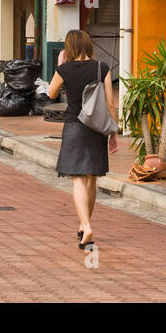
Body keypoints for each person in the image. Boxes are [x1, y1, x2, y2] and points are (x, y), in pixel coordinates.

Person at [47, 28, 117, 249]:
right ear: (87, 45)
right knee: (91, 178)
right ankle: (83, 224)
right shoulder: (101, 68)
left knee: (77, 178)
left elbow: (50, 93)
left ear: (69, 47)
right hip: (96, 128)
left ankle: (86, 226)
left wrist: (59, 64)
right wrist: (113, 131)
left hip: (74, 127)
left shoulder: (64, 69)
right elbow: (109, 103)